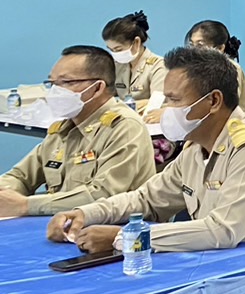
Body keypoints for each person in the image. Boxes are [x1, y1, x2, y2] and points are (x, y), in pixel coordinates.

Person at [47, 46, 245, 252]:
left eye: (174, 99)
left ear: (213, 101)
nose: (165, 110)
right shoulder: (196, 145)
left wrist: (124, 236)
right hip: (213, 264)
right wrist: (85, 213)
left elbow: (223, 230)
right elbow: (146, 198)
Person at [0, 46, 154, 217]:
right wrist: (5, 192)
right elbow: (21, 176)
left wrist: (25, 205)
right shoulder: (63, 128)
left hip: (114, 232)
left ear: (97, 88)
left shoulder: (124, 127)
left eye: (66, 82)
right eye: (52, 84)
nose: (56, 91)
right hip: (62, 224)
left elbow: (103, 195)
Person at [102, 10, 167, 120]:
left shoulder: (159, 66)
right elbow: (106, 97)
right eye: (111, 50)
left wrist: (121, 106)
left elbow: (157, 103)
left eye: (118, 49)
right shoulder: (117, 66)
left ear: (136, 42)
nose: (115, 54)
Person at [186, 20, 245, 108]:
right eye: (191, 45)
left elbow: (226, 107)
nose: (193, 51)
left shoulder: (231, 69)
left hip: (236, 120)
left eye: (199, 45)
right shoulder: (193, 68)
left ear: (220, 48)